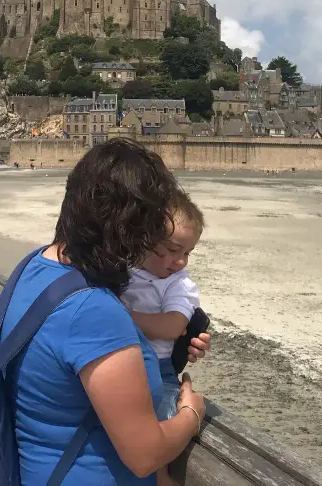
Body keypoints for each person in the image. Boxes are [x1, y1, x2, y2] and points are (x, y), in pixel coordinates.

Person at [0, 138, 210, 484]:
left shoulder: (35, 265)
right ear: (131, 228)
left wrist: (175, 345)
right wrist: (191, 412)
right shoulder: (94, 310)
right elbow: (145, 454)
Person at [120, 198, 203, 486]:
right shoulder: (124, 270)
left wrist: (118, 316)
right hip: (121, 362)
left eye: (187, 253)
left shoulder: (179, 284)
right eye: (171, 250)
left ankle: (161, 478)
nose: (179, 261)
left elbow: (172, 327)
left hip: (158, 367)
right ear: (144, 239)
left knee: (160, 417)